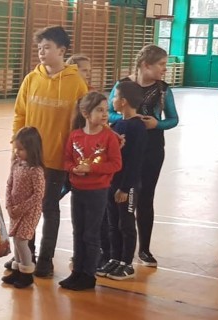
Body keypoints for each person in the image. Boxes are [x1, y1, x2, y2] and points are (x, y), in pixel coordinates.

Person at [11, 26, 89, 278]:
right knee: (25, 207)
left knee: (48, 208)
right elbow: (20, 114)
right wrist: (16, 145)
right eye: (39, 48)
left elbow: (81, 122)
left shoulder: (76, 84)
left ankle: (46, 258)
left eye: (47, 48)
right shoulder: (31, 79)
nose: (42, 53)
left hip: (56, 160)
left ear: (62, 51)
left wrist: (76, 155)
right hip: (29, 159)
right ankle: (26, 254)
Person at [108, 44, 178, 267]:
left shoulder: (164, 90)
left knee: (145, 198)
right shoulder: (122, 85)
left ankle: (144, 249)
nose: (164, 70)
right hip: (124, 146)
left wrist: (158, 123)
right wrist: (128, 118)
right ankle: (116, 249)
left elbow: (174, 119)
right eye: (161, 65)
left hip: (152, 147)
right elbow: (108, 111)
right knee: (120, 195)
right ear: (145, 65)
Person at [61, 92, 122, 290]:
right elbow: (67, 160)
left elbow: (116, 164)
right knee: (78, 232)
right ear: (86, 113)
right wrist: (74, 169)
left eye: (106, 110)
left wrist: (92, 168)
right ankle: (77, 271)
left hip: (97, 191)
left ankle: (89, 275)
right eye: (100, 110)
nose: (105, 114)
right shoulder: (75, 135)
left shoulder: (109, 137)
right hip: (78, 190)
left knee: (91, 234)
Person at [96, 82, 147, 280]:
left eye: (115, 96)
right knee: (112, 222)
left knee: (126, 224)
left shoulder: (138, 127)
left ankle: (127, 262)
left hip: (128, 185)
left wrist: (126, 187)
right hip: (112, 183)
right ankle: (115, 258)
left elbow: (135, 161)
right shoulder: (117, 125)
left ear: (124, 102)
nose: (112, 100)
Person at [2, 127, 45, 289]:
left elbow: (38, 195)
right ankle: (18, 270)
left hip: (29, 212)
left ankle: (27, 274)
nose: (17, 152)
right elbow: (9, 184)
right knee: (15, 240)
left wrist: (20, 208)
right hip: (15, 210)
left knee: (21, 241)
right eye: (16, 149)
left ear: (32, 149)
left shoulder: (36, 171)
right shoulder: (16, 164)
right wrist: (9, 204)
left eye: (21, 149)